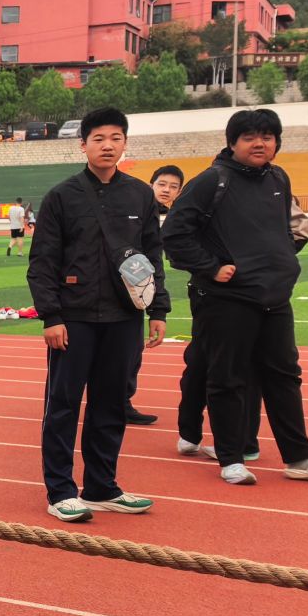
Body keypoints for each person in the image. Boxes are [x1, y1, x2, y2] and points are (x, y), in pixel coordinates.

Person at [162, 110, 308, 486]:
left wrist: (282, 263)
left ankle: (300, 456)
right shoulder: (212, 180)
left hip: (274, 296)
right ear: (232, 143)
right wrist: (211, 267)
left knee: (285, 376)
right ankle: (231, 458)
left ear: (277, 142)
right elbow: (175, 234)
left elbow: (282, 230)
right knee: (227, 378)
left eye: (267, 136)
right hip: (227, 298)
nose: (259, 143)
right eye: (249, 137)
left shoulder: (278, 178)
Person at [26, 109, 169, 523]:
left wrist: (158, 308)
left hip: (124, 317)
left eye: (116, 138)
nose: (108, 145)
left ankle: (102, 487)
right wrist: (51, 316)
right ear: (83, 145)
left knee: (111, 404)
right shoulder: (62, 196)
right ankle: (60, 491)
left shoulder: (140, 195)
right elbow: (43, 261)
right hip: (74, 317)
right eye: (99, 138)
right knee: (63, 405)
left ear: (125, 143)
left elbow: (151, 255)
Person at [124, 166, 186, 428]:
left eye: (173, 187)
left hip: (137, 289)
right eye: (162, 184)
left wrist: (158, 309)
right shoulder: (134, 210)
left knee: (131, 352)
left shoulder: (170, 217)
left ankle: (121, 403)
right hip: (116, 287)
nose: (166, 190)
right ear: (151, 185)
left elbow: (156, 262)